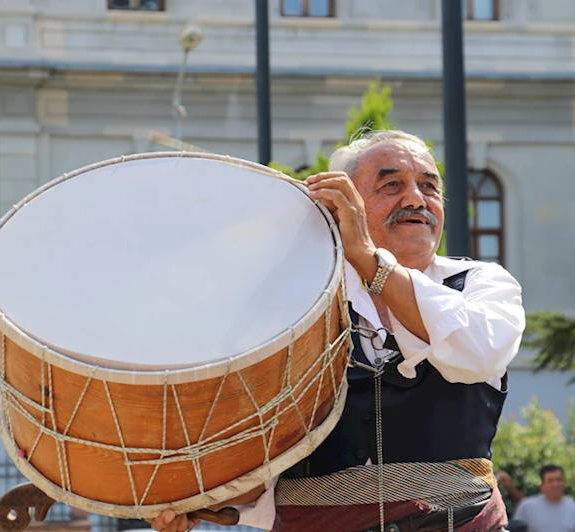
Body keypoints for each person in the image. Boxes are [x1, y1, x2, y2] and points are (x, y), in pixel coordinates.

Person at [147, 130, 525, 532]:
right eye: (391, 185)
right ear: (342, 207)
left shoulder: (481, 283)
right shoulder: (294, 302)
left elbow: (476, 352)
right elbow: (260, 447)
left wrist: (368, 260)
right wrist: (207, 500)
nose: (416, 199)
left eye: (429, 186)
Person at [511, 464, 575, 532]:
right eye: (550, 481)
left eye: (559, 480)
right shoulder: (527, 507)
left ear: (565, 482)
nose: (555, 484)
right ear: (542, 485)